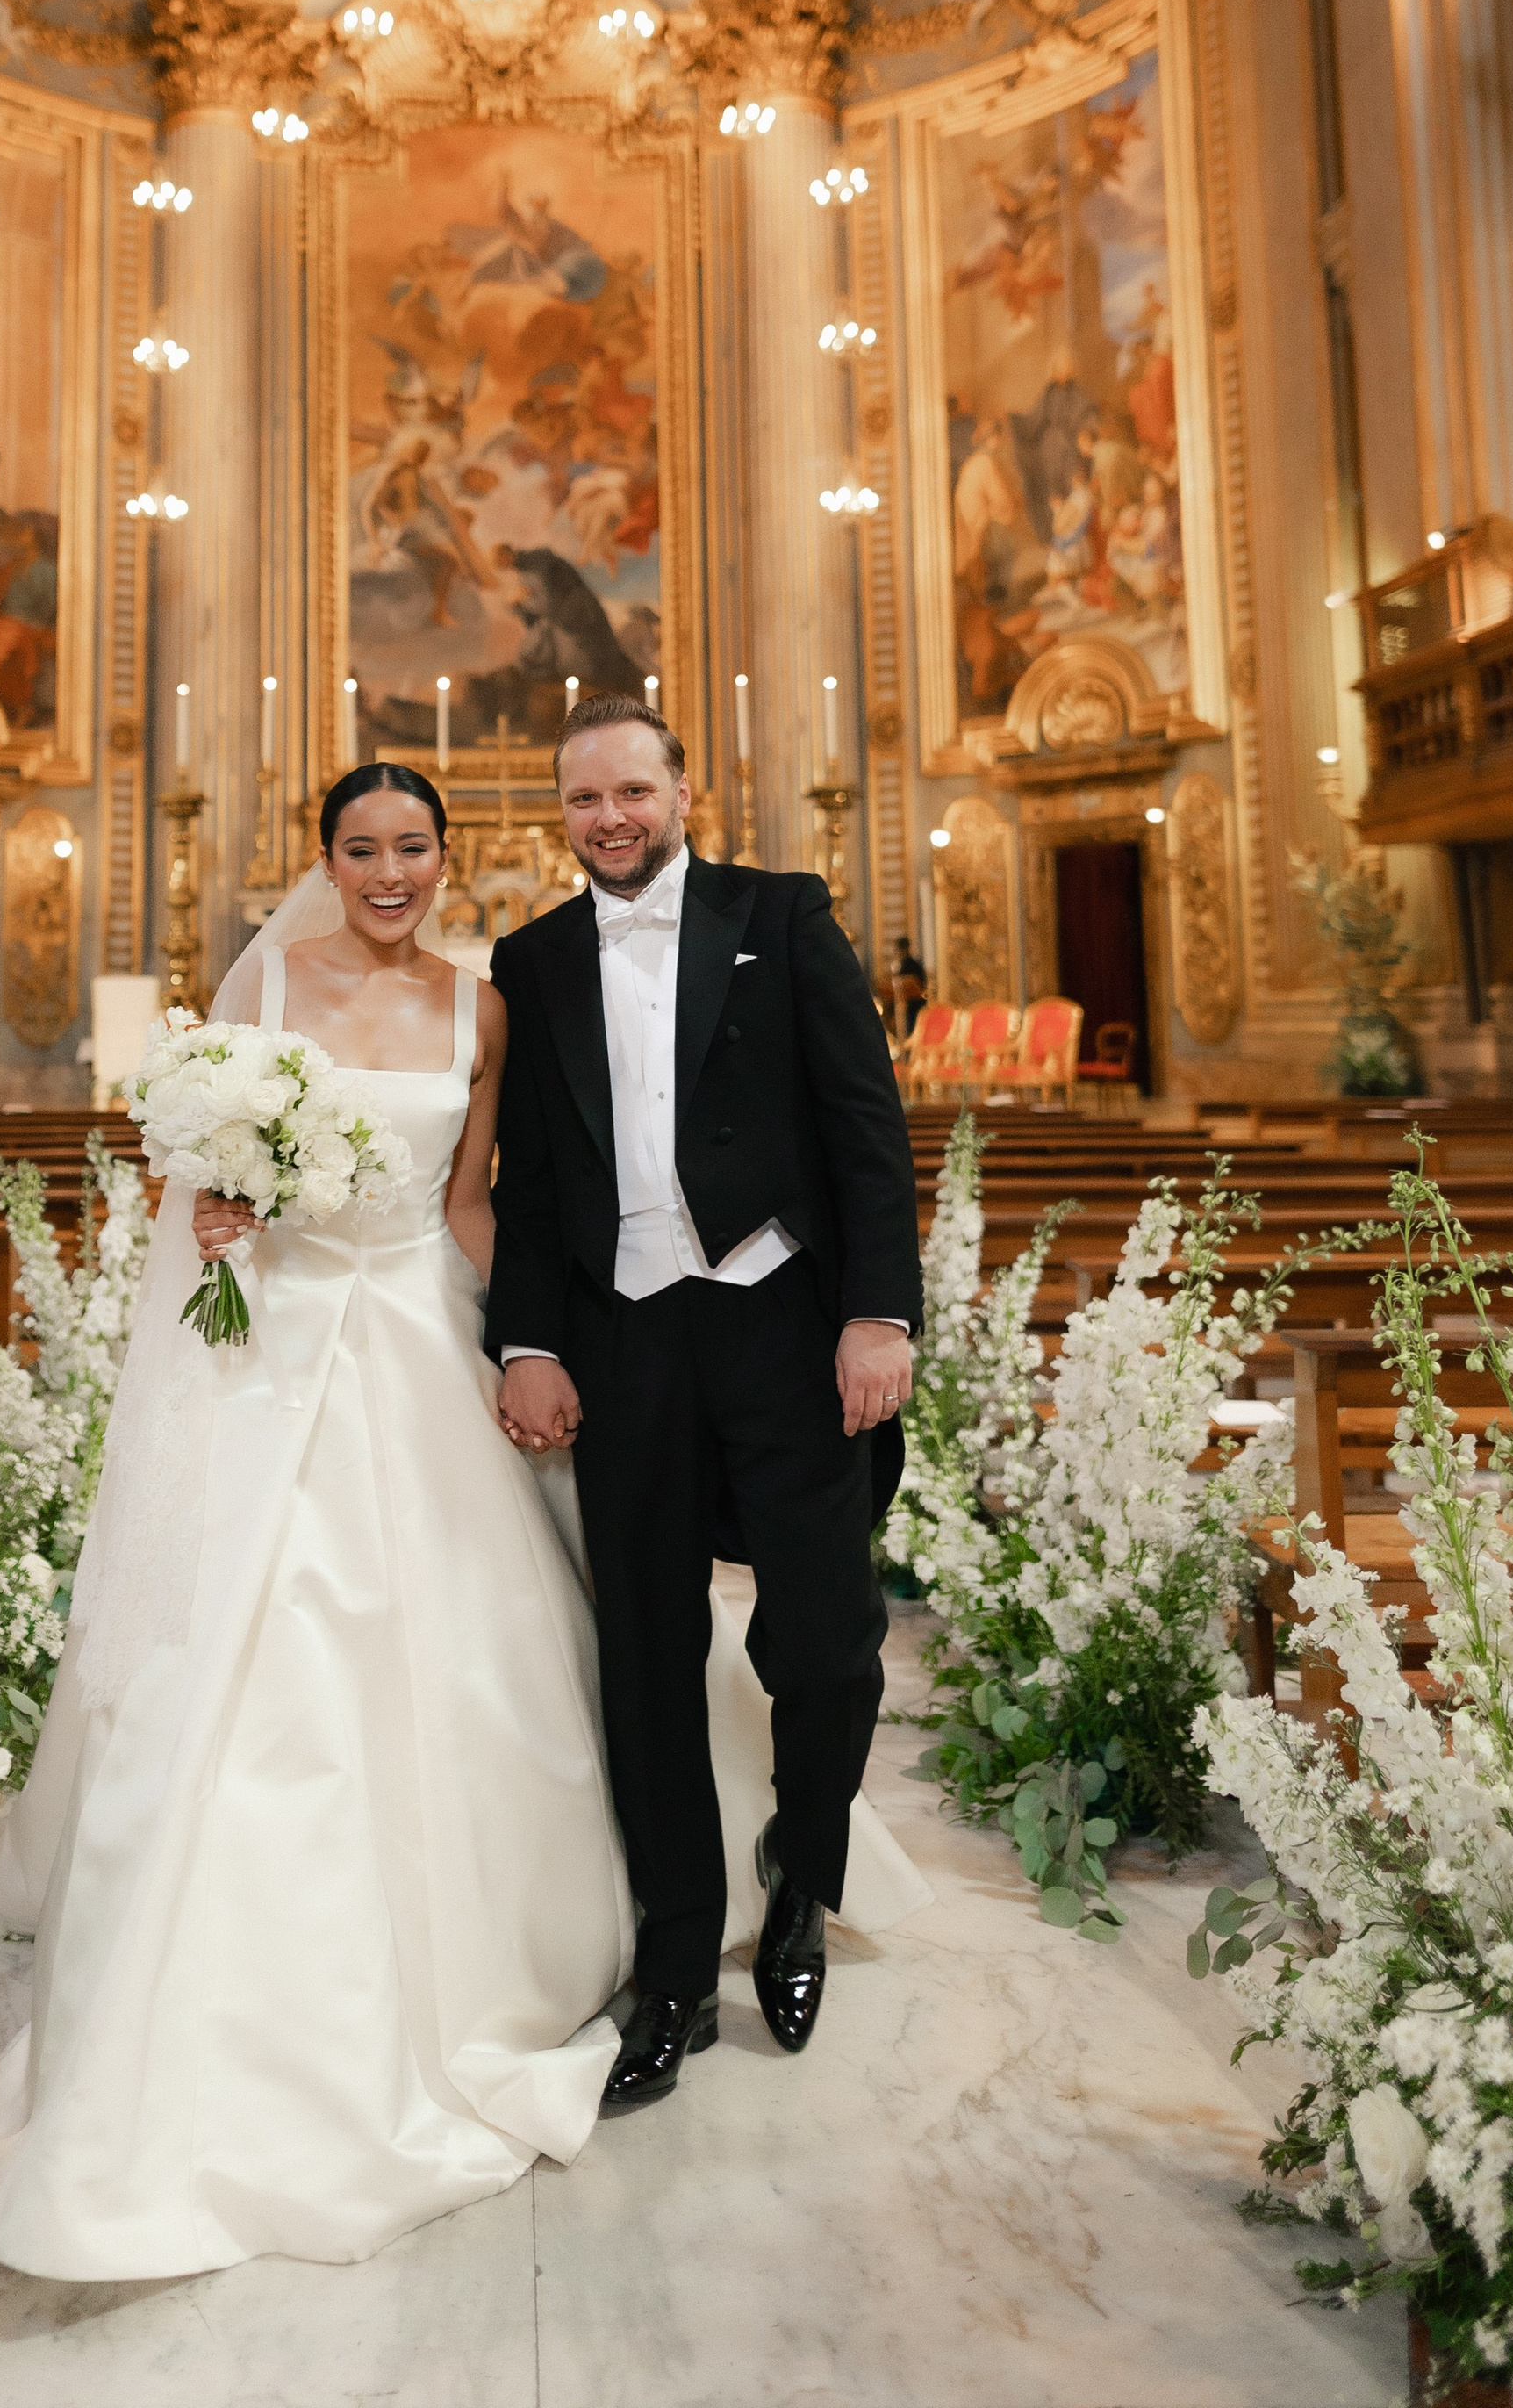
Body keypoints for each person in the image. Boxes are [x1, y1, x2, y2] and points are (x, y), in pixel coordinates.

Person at [0, 765, 629, 2273]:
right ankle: (219, 2012)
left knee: (473, 1651)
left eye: (414, 850)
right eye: (362, 849)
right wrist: (213, 1211)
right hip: (277, 1352)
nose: (390, 873)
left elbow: (468, 1202)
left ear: (451, 860)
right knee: (260, 1657)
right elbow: (195, 1160)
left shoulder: (481, 1008)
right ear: (323, 858)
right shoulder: (266, 981)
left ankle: (498, 1965)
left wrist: (525, 1335)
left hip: (415, 1335)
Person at [486, 696, 922, 2111]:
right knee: (649, 1660)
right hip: (624, 1344)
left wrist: (876, 1314)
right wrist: (528, 1346)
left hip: (784, 1331)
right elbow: (535, 1187)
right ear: (558, 815)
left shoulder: (783, 915)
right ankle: (675, 1961)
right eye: (582, 800)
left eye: (631, 790)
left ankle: (802, 1882)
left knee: (831, 1636)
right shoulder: (533, 958)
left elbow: (867, 1128)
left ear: (684, 790)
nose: (608, 818)